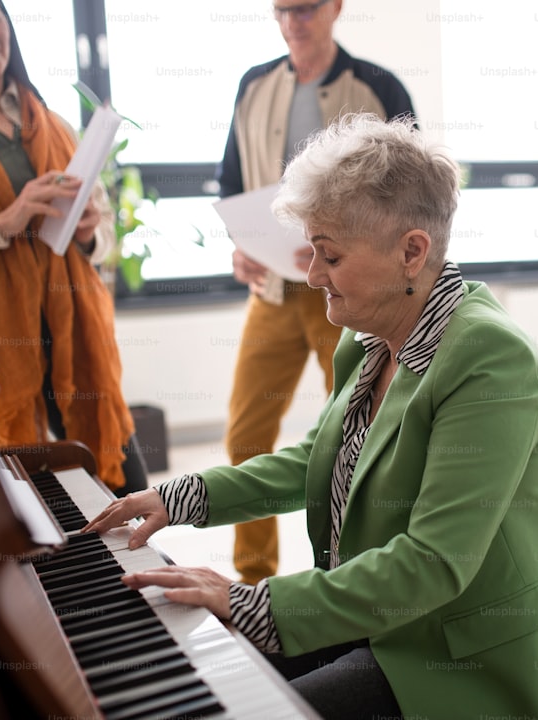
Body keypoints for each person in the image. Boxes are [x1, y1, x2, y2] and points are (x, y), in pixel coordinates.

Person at [85, 114, 538, 720]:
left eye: (329, 256)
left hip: (459, 649)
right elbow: (314, 463)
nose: (311, 276)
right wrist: (178, 498)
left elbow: (434, 563)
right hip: (382, 617)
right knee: (194, 668)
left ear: (412, 252)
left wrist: (254, 602)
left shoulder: (491, 360)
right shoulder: (368, 340)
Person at [216, 0, 416, 584]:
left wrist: (346, 247)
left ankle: (350, 574)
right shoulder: (253, 86)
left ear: (335, 8)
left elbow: (413, 196)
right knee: (246, 434)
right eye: (281, 10)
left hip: (353, 297)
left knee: (358, 437)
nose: (292, 21)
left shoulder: (379, 87)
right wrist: (241, 244)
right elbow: (232, 182)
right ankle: (253, 582)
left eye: (304, 8)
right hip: (274, 293)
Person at [0, 0, 148, 496]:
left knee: (124, 478)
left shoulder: (51, 123)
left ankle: (129, 571)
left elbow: (104, 227)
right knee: (8, 489)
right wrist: (3, 220)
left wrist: (89, 229)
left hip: (69, 324)